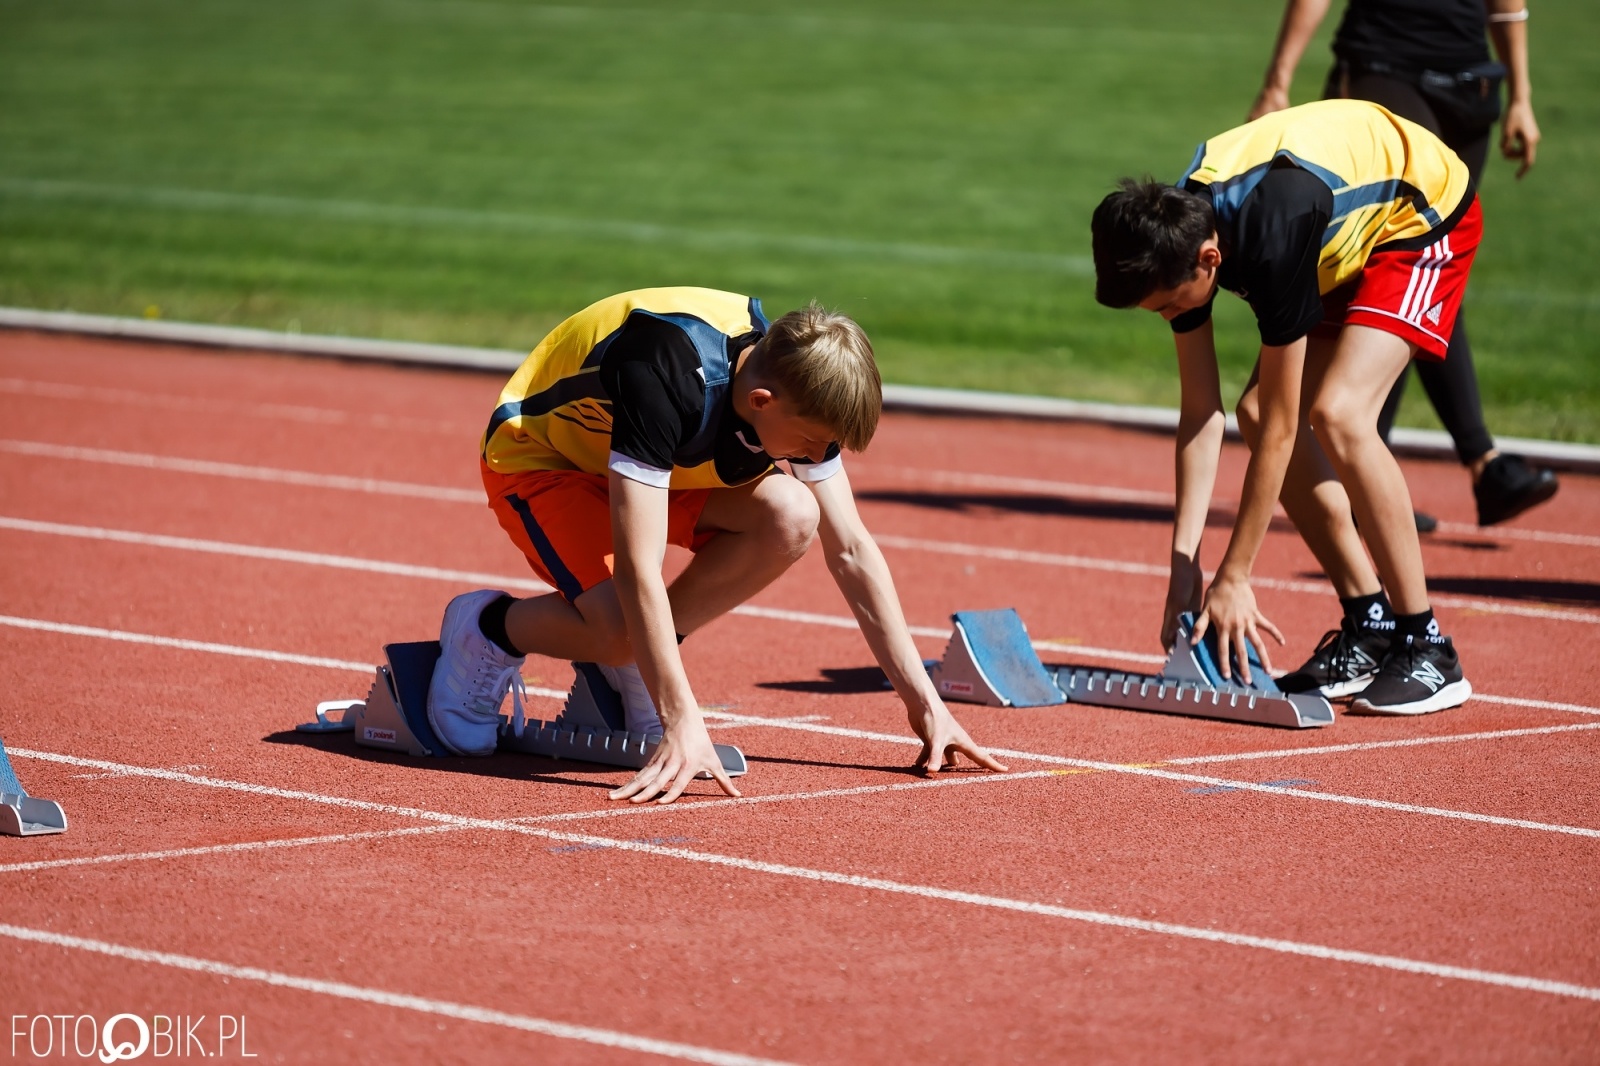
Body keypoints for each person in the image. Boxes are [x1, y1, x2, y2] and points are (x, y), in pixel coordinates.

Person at [425, 287, 1006, 803]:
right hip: (545, 459)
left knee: (792, 513)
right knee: (617, 629)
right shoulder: (664, 375)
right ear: (761, 403)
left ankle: (632, 666)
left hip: (660, 462)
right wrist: (682, 718)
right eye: (809, 443)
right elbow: (639, 566)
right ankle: (489, 630)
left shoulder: (798, 379)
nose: (810, 456)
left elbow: (850, 549)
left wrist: (925, 704)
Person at [1090, 99, 1477, 715]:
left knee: (1341, 414)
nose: (1170, 318)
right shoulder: (1182, 233)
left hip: (1421, 214)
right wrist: (1185, 565)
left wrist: (1236, 573)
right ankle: (1369, 625)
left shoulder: (1271, 237)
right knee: (1251, 411)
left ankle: (1428, 646)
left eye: (1166, 306)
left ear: (1209, 261)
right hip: (1337, 233)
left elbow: (1285, 424)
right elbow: (1200, 413)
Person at [1248, 0, 1557, 531]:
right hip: (1384, 70)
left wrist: (1521, 95)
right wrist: (1279, 78)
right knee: (1405, 265)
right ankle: (1465, 461)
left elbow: (1506, 6)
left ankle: (1394, 467)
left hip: (1471, 83)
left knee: (1425, 269)